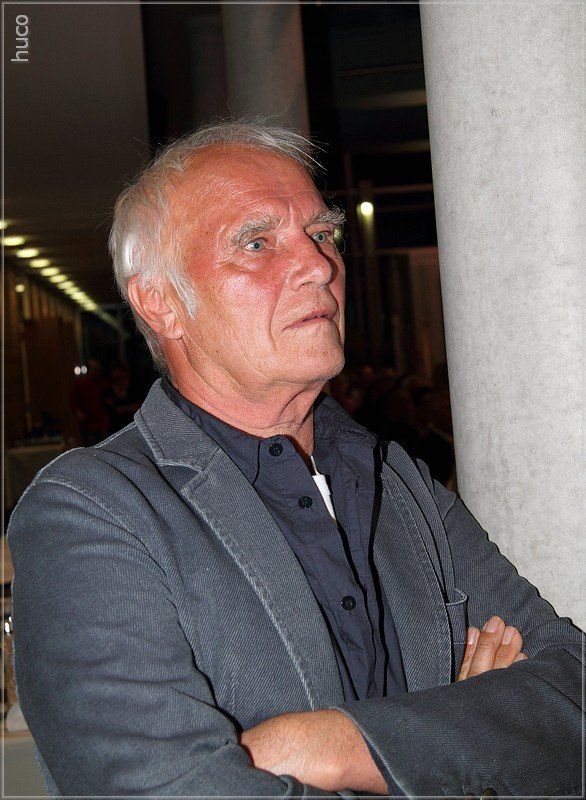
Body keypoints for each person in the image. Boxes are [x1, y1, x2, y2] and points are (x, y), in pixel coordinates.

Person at [8, 122, 582, 798]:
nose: (319, 265)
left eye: (322, 233)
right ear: (160, 304)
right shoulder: (92, 511)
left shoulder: (396, 481)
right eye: (256, 243)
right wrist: (463, 738)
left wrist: (338, 746)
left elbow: (573, 693)